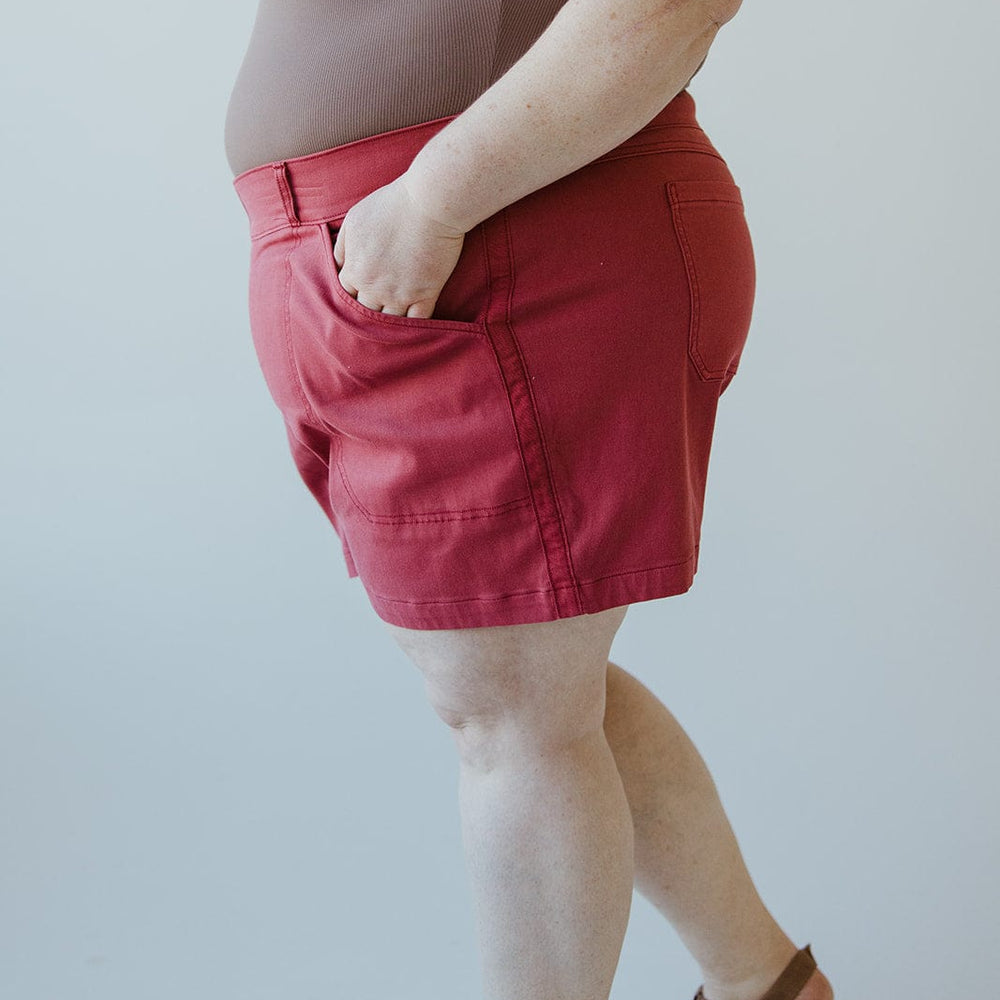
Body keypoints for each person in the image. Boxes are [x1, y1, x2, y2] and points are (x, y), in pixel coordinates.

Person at [225, 1, 835, 998]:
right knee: (527, 697)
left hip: (506, 230)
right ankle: (767, 986)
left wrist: (432, 200)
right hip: (393, 251)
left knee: (514, 715)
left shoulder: (446, 210)